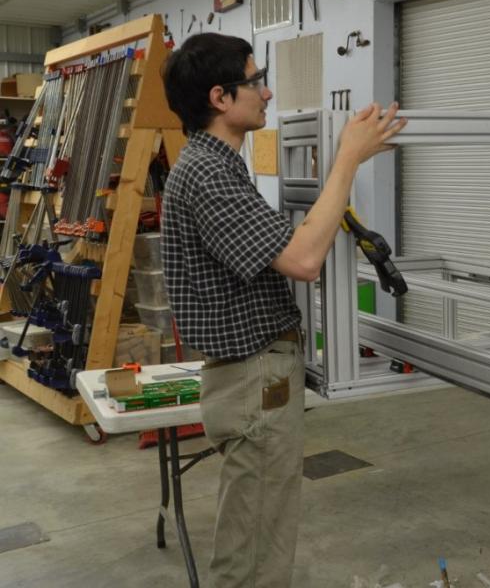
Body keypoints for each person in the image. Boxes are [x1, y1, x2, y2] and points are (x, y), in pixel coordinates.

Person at [160, 33, 406, 586]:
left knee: (258, 534)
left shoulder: (218, 166)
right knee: (255, 555)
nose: (268, 93)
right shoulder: (209, 174)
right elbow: (302, 259)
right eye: (255, 81)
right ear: (221, 97)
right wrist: (347, 159)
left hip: (253, 378)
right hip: (253, 382)